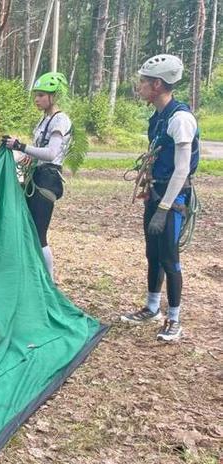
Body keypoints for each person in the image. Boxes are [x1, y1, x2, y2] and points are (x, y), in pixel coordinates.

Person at [120, 55, 199, 342]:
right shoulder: (159, 116)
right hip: (156, 192)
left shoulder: (180, 119)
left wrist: (164, 209)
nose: (139, 86)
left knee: (169, 258)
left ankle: (174, 319)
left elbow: (181, 169)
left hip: (173, 196)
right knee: (152, 253)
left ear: (157, 84)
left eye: (143, 81)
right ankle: (152, 307)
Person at [2, 71, 72, 280]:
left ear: (54, 96)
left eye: (42, 95)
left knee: (39, 234)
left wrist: (21, 146)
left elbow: (51, 153)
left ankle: (48, 281)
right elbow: (35, 152)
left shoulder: (60, 121)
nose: (37, 99)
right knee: (30, 230)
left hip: (48, 180)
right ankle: (35, 275)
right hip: (37, 176)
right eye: (37, 94)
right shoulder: (44, 120)